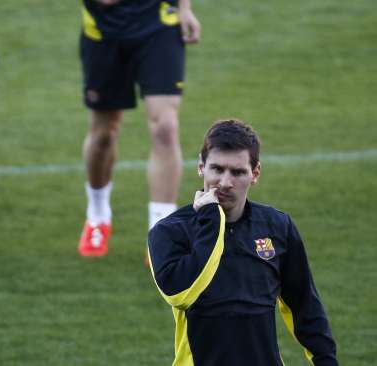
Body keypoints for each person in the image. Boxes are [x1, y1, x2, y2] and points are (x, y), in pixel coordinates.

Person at [147, 119, 338, 365]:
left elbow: (304, 306)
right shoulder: (170, 232)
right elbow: (183, 292)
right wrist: (211, 220)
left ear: (255, 173)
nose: (225, 182)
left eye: (237, 172)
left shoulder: (277, 226)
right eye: (217, 169)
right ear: (201, 167)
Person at [77, 0, 201, 257]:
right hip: (103, 32)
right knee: (104, 133)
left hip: (160, 27)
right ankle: (97, 215)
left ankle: (162, 233)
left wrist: (185, 8)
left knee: (165, 128)